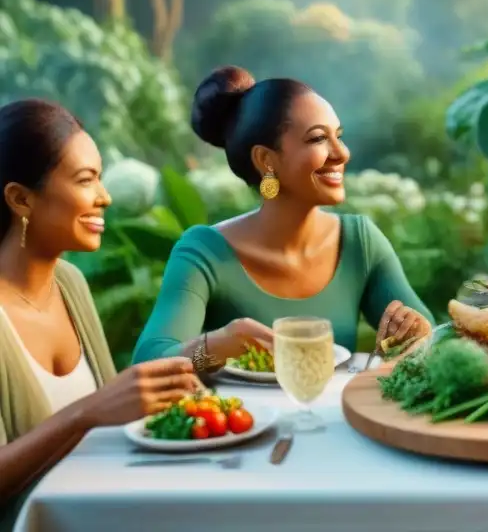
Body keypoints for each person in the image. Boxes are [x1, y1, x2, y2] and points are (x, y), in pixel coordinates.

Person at [132, 66, 433, 371]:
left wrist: (417, 332)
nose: (341, 153)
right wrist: (215, 347)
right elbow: (147, 363)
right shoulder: (204, 252)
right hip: (243, 419)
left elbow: (432, 337)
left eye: (338, 136)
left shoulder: (359, 241)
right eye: (318, 139)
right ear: (266, 160)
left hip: (330, 417)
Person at [0, 99, 199, 530]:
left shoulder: (70, 283)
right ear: (20, 198)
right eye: (85, 180)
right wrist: (85, 412)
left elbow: (118, 412)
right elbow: (96, 410)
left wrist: (207, 356)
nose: (104, 197)